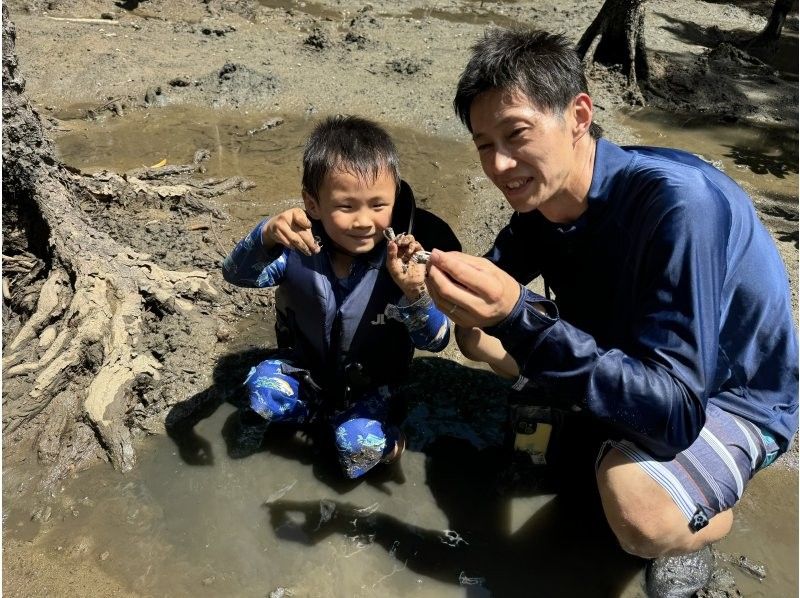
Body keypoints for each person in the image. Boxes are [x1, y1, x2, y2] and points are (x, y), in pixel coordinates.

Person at [425, 28, 798, 595]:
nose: (499, 164)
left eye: (516, 133)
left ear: (578, 115)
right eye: (483, 145)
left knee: (634, 505)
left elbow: (676, 413)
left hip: (729, 395)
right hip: (635, 358)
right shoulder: (542, 201)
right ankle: (600, 437)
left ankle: (699, 526)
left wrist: (516, 316)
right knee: (477, 339)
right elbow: (491, 292)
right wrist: (426, 281)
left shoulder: (678, 205)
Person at [223, 115, 460, 479]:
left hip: (370, 386)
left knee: (357, 449)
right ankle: (309, 419)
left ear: (395, 198)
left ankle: (390, 442)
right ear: (313, 204)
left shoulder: (410, 260)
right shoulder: (295, 248)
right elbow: (236, 275)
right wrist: (266, 234)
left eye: (378, 205)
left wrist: (414, 292)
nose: (364, 221)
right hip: (304, 370)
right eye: (346, 207)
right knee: (262, 393)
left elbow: (437, 341)